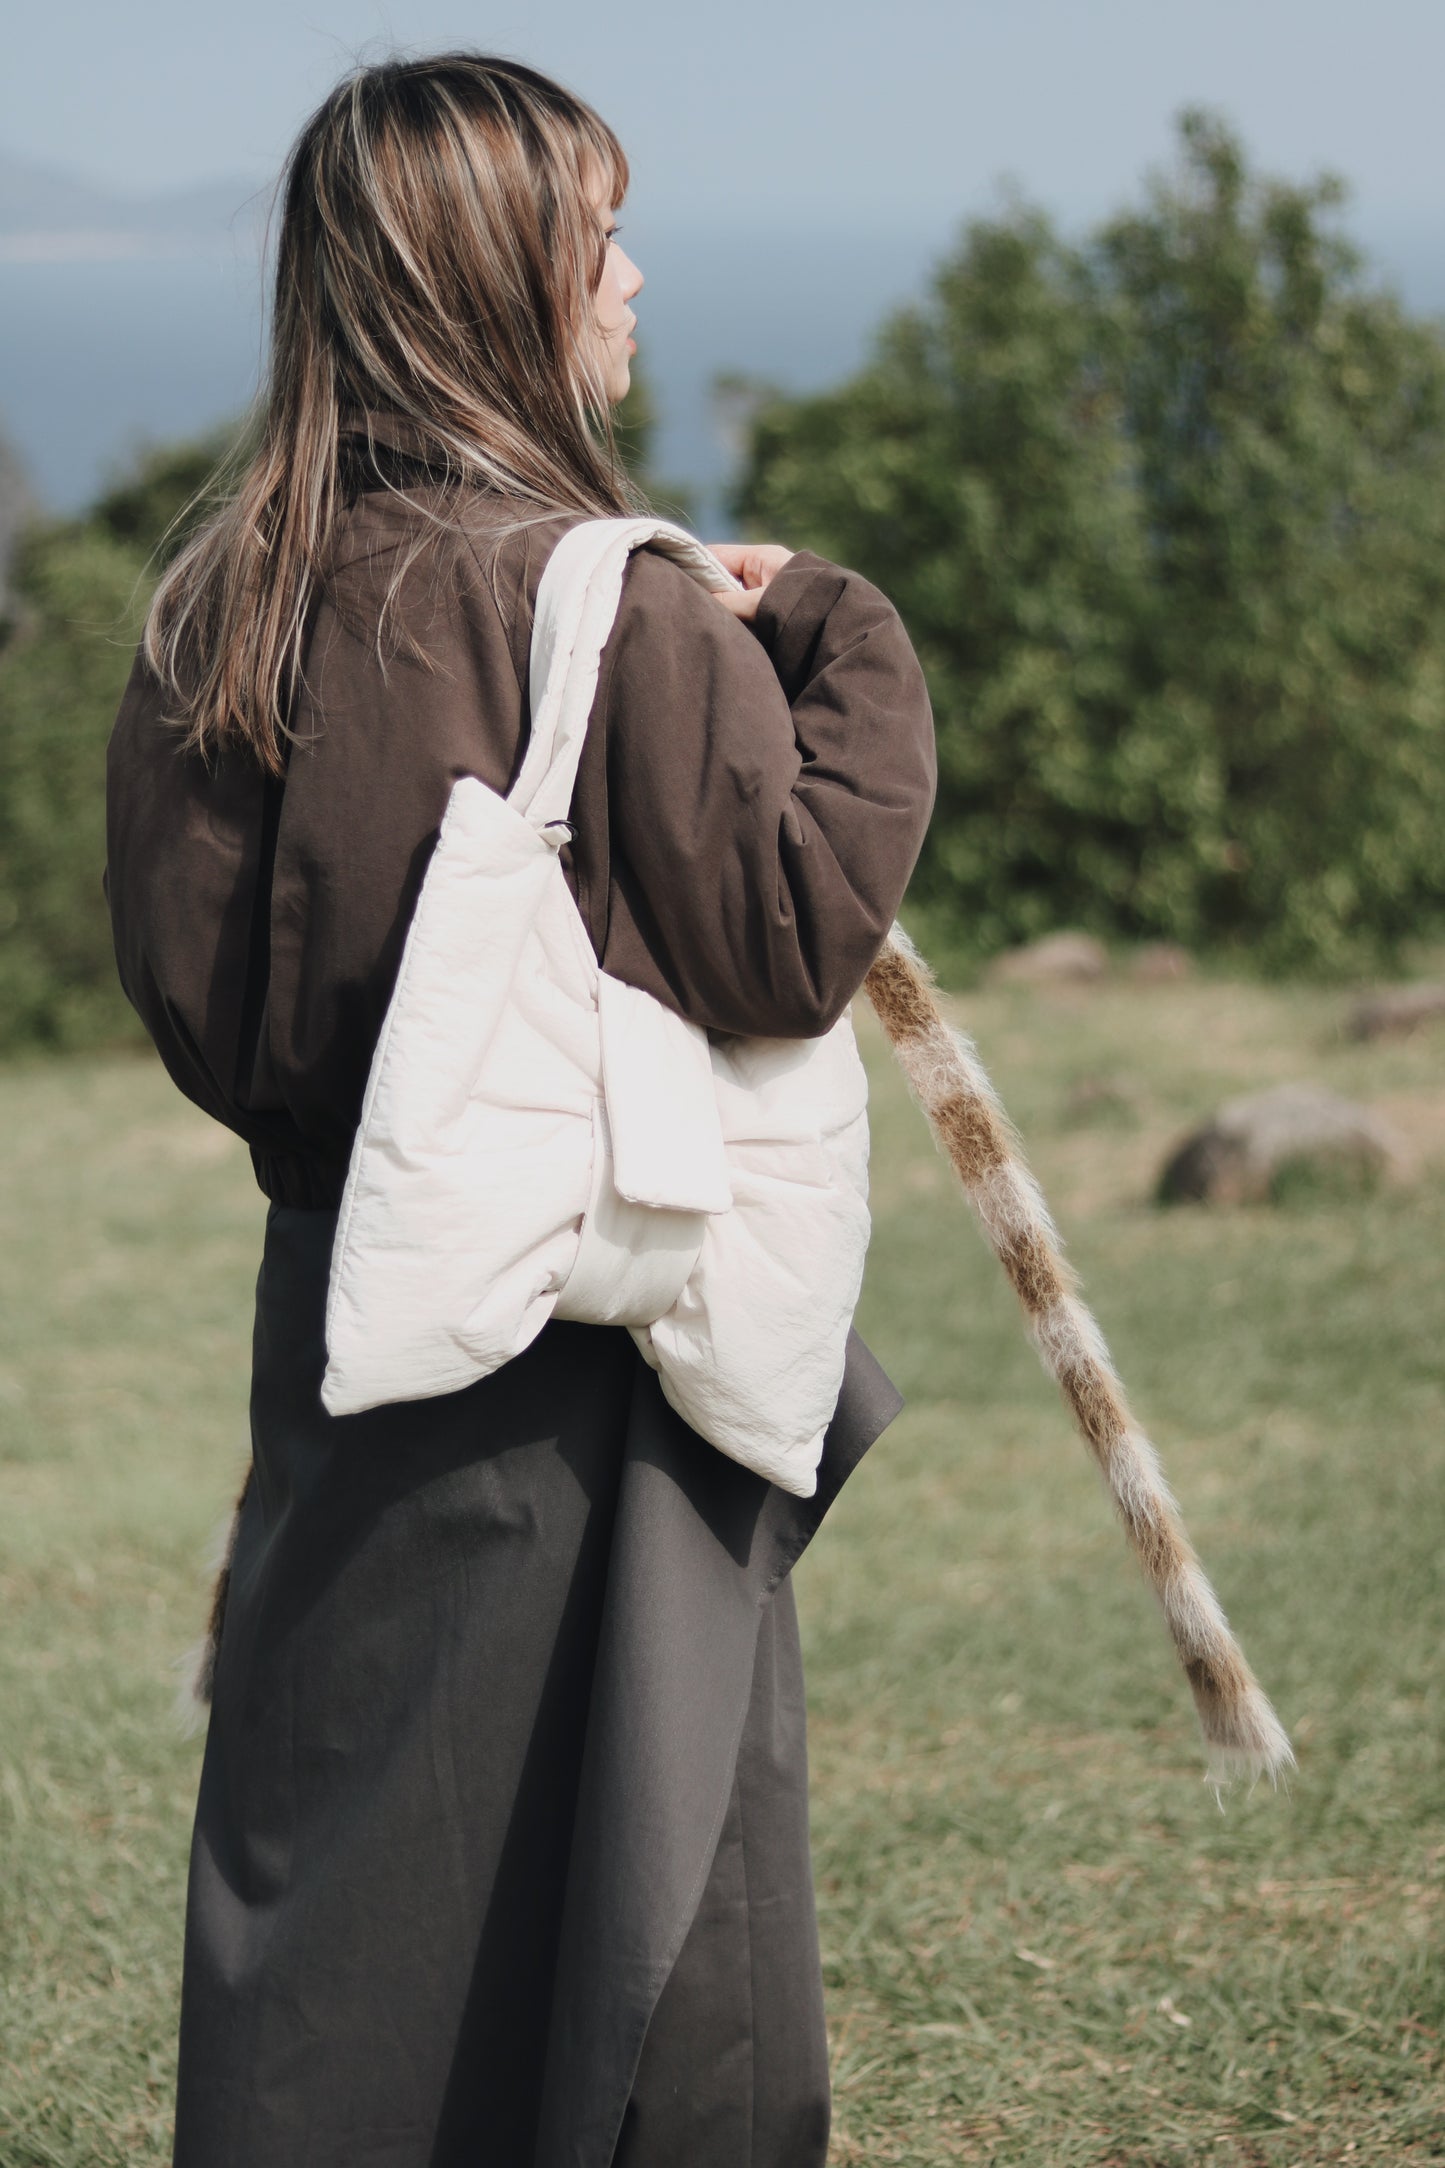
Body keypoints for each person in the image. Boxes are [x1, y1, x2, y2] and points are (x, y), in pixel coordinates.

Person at [104, 51, 936, 2168]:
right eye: (600, 238)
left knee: (341, 1903)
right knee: (666, 1942)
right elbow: (784, 932)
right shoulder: (619, 594)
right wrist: (837, 632)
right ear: (502, 280)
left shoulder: (222, 601)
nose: (638, 280)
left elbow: (213, 1014)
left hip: (354, 1319)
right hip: (600, 1371)